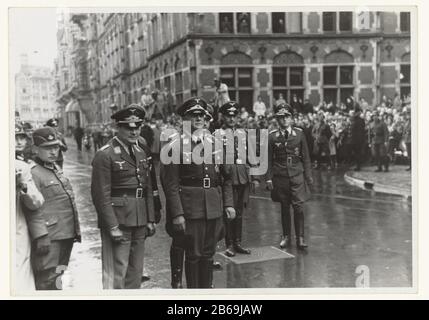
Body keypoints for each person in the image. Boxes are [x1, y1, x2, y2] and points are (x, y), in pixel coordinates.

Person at [160, 97, 236, 288]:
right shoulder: (174, 144)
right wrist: (177, 214)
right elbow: (170, 184)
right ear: (184, 118)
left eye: (201, 114)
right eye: (194, 114)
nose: (199, 118)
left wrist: (228, 203)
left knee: (208, 252)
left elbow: (226, 177)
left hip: (213, 205)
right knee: (193, 253)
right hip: (190, 207)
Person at [91, 104, 157, 289]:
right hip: (119, 221)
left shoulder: (140, 151)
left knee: (135, 271)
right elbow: (100, 195)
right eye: (129, 127)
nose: (134, 131)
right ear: (118, 128)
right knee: (116, 273)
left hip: (139, 219)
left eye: (137, 127)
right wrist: (112, 226)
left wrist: (150, 218)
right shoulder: (105, 155)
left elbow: (147, 188)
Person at [29, 127, 81, 290]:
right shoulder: (33, 173)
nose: (53, 152)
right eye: (47, 148)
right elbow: (32, 209)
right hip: (50, 238)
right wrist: (41, 235)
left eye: (56, 147)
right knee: (46, 279)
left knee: (60, 273)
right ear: (35, 149)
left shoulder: (54, 168)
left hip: (65, 233)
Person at [265, 103, 313, 249]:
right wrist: (268, 178)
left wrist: (308, 176)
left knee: (298, 207)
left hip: (297, 175)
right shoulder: (272, 136)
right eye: (281, 117)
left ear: (291, 118)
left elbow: (306, 157)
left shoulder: (299, 133)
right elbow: (268, 159)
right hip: (280, 177)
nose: (284, 120)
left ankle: (300, 238)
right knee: (285, 207)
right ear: (277, 119)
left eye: (287, 116)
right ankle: (286, 236)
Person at [219, 101, 259, 257]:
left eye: (234, 116)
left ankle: (238, 242)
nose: (231, 119)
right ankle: (228, 244)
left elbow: (251, 155)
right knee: (230, 212)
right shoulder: (218, 135)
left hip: (243, 177)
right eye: (228, 116)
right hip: (227, 178)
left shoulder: (243, 133)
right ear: (223, 117)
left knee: (240, 213)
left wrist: (255, 177)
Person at [15, 123, 45, 291]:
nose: (19, 142)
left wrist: (23, 187)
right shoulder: (20, 165)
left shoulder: (25, 164)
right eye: (14, 138)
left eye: (21, 138)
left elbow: (36, 202)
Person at [349, 107, 366, 171]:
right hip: (354, 139)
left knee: (358, 153)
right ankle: (357, 165)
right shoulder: (354, 120)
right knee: (356, 153)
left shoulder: (360, 120)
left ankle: (358, 166)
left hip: (358, 139)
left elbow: (361, 130)